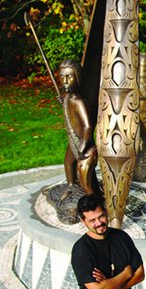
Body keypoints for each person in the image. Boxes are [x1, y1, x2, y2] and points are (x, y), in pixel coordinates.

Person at [58, 60, 100, 196]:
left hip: (82, 142)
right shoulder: (68, 98)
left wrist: (83, 144)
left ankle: (91, 197)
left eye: (69, 77)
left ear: (78, 77)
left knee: (85, 176)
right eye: (62, 77)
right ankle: (71, 186)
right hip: (73, 140)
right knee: (68, 163)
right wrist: (63, 102)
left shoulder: (78, 102)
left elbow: (88, 126)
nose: (65, 81)